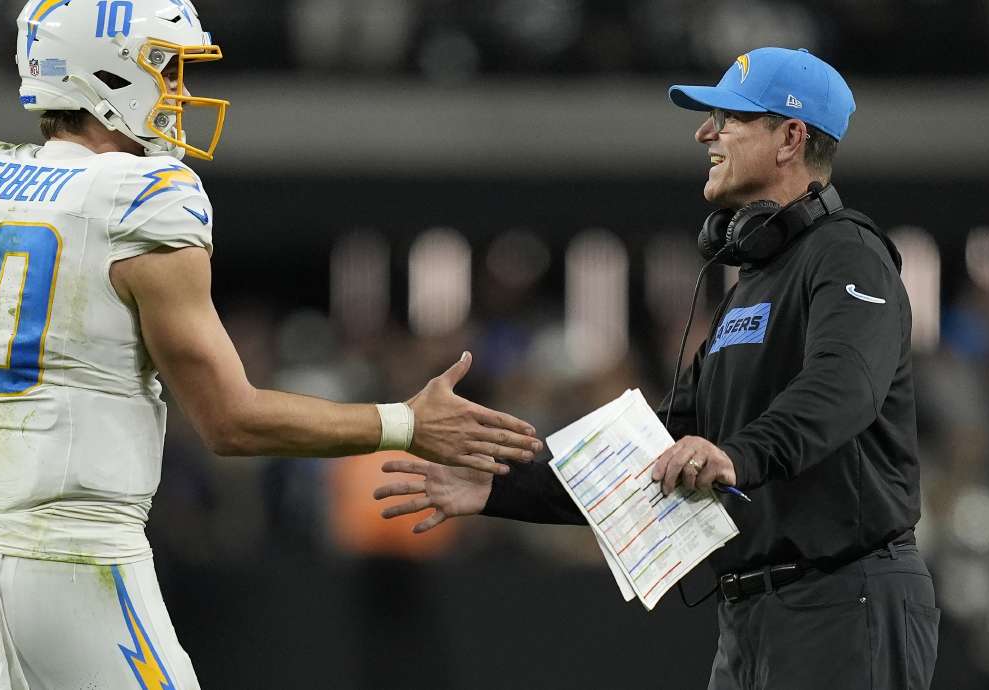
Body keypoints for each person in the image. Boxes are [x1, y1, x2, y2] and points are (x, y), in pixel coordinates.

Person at [0, 1, 542, 687]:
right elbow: (231, 421)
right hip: (75, 562)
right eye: (164, 66)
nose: (179, 89)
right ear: (104, 74)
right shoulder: (139, 197)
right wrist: (406, 423)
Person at [375, 47, 940, 689]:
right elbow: (658, 449)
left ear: (790, 137)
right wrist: (500, 488)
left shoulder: (849, 254)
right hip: (754, 613)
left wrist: (736, 457)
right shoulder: (752, 285)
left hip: (846, 597)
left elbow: (846, 388)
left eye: (728, 117)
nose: (705, 133)